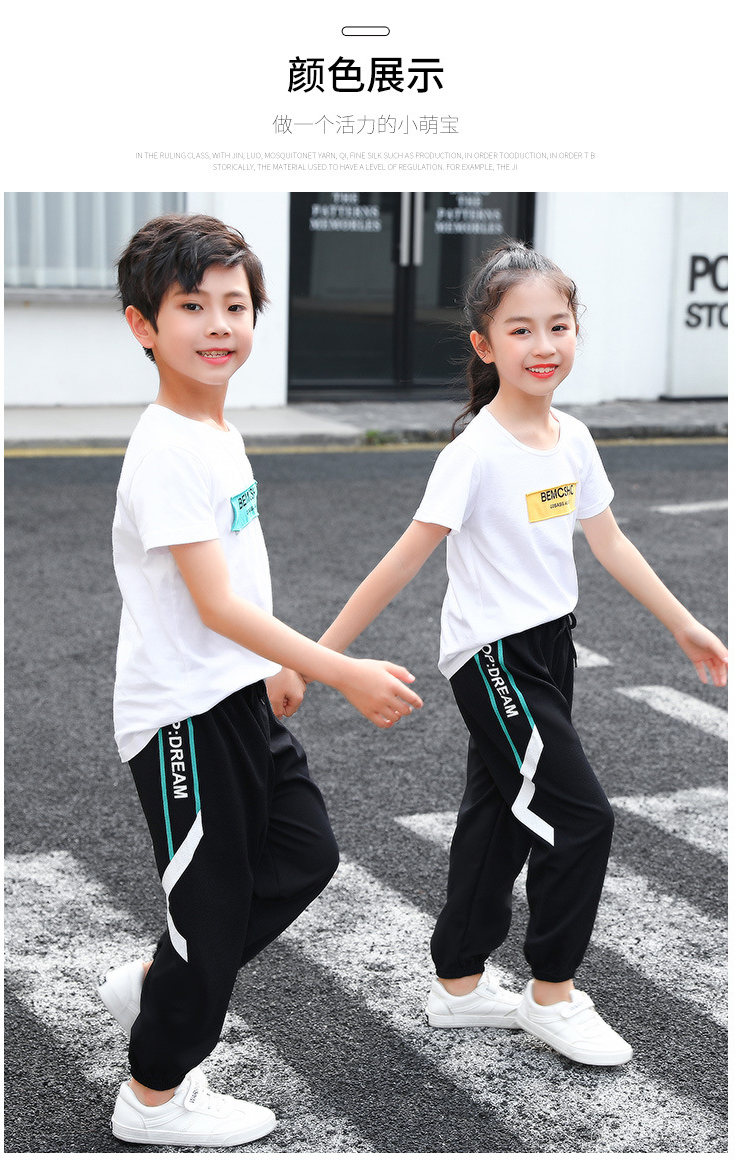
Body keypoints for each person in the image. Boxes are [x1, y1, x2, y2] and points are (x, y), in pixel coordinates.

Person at [316, 239, 728, 1068]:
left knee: (499, 816)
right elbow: (403, 558)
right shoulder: (473, 452)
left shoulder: (572, 439)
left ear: (576, 331)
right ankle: (552, 993)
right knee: (580, 818)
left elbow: (609, 543)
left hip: (550, 648)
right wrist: (318, 657)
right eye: (521, 330)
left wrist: (683, 624)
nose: (544, 345)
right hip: (493, 660)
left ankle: (459, 984)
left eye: (558, 326)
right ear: (484, 344)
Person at [99, 212, 422, 1148]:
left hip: (233, 695)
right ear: (142, 325)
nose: (218, 325)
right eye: (191, 305)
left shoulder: (215, 430)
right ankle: (153, 1096)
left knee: (304, 853)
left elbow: (240, 567)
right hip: (181, 717)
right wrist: (338, 668)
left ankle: (161, 982)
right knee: (210, 911)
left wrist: (278, 660)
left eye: (235, 305)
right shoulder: (167, 447)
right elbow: (213, 604)